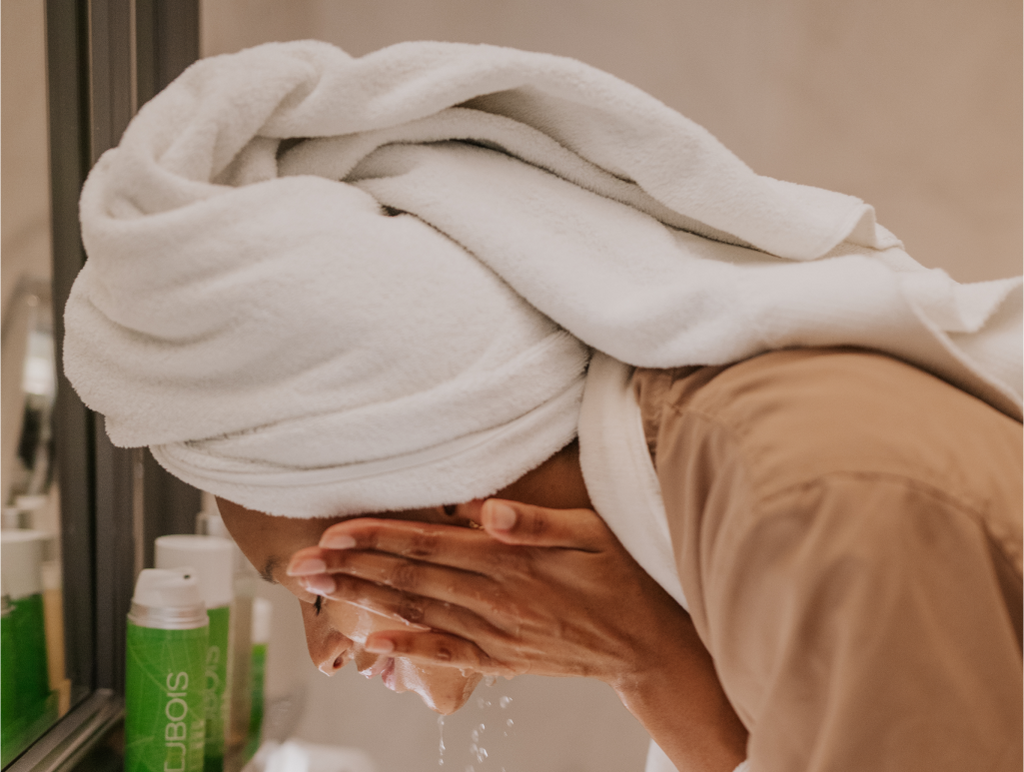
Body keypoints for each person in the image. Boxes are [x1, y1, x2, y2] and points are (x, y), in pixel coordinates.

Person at [62, 40, 1024, 772]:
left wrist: (648, 660)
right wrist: (649, 658)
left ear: (437, 491)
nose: (324, 654)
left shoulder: (805, 503)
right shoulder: (699, 503)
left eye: (316, 588)